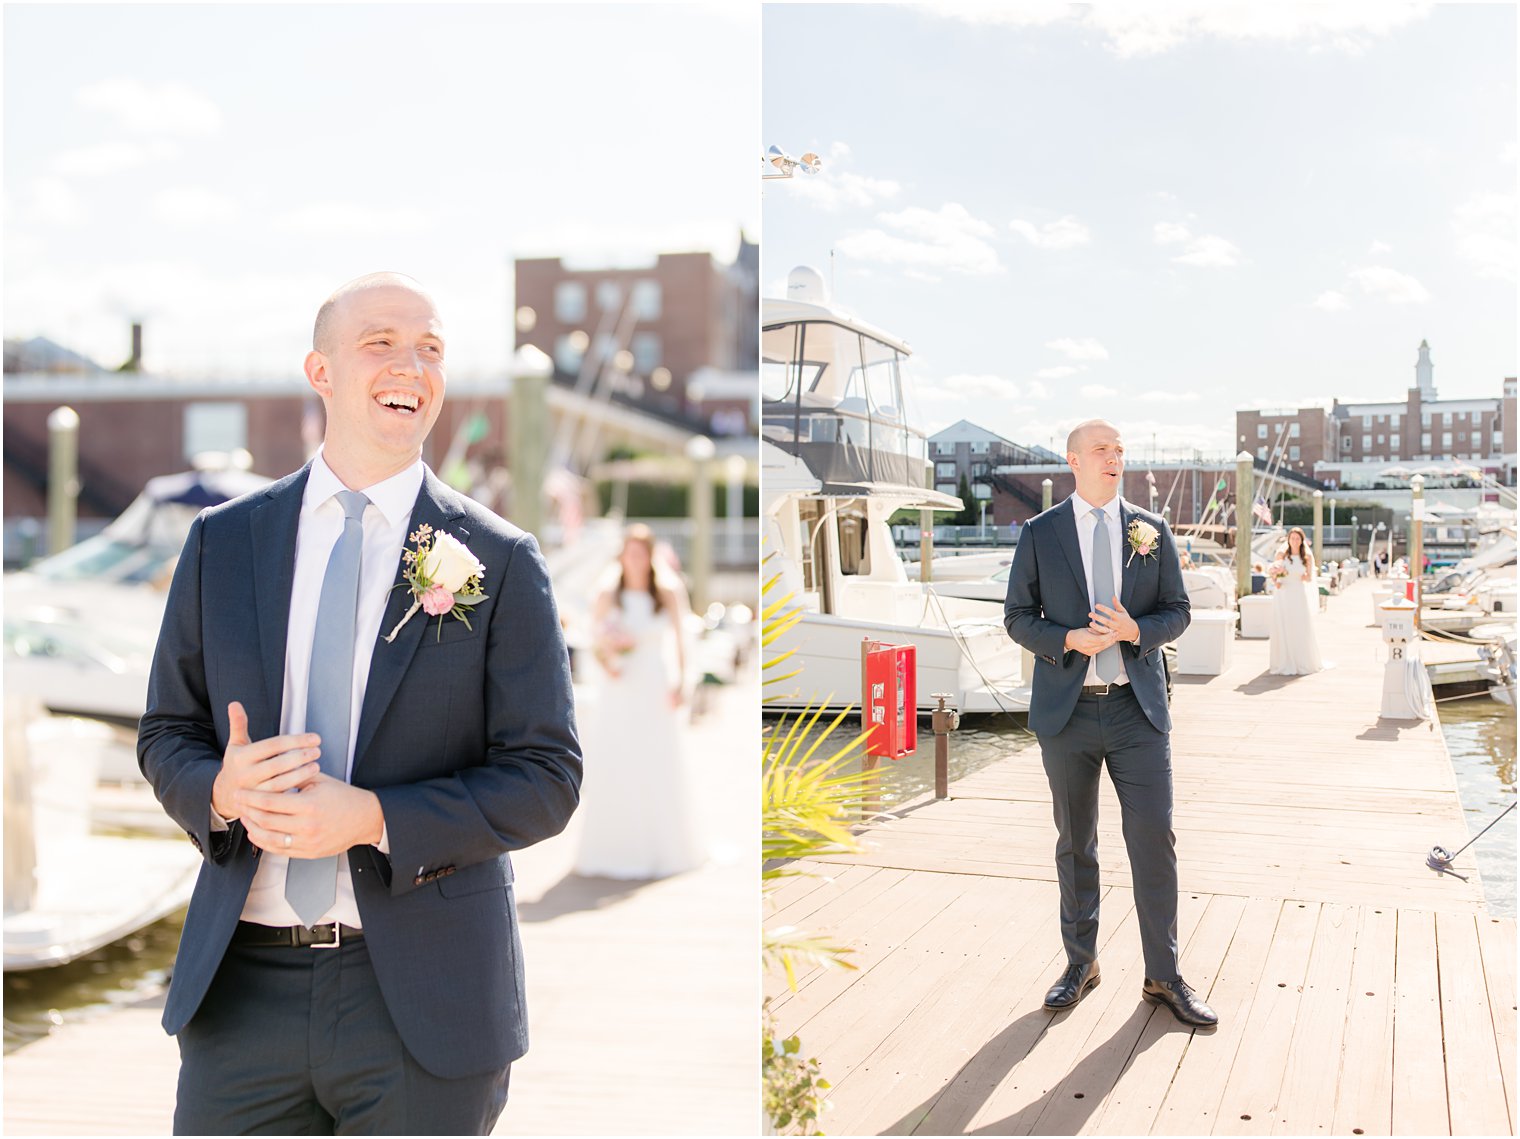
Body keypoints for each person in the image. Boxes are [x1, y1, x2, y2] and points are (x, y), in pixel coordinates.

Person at [138, 273, 582, 1134]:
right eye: (380, 341)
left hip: (425, 999)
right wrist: (222, 791)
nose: (410, 363)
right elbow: (166, 733)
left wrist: (376, 816)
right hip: (241, 996)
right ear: (322, 370)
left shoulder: (498, 558)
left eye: (431, 348)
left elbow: (547, 776)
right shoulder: (221, 543)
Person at [1003, 419, 1217, 1027]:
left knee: (1154, 842)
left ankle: (1163, 976)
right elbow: (1017, 616)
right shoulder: (1040, 533)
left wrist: (1136, 632)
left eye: (1120, 449)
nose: (1114, 457)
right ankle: (1081, 963)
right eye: (1102, 449)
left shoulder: (1150, 529)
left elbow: (1178, 611)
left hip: (1137, 711)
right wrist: (1067, 637)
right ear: (1073, 460)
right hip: (1066, 713)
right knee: (1076, 844)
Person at [574, 525, 704, 879]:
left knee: (656, 757)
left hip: (654, 681)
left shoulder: (667, 592)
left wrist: (682, 682)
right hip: (619, 686)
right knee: (618, 757)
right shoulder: (608, 593)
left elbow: (682, 640)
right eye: (629, 552)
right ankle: (616, 845)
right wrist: (608, 663)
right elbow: (593, 636)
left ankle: (660, 845)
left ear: (650, 556)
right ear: (622, 556)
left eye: (641, 553)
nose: (635, 559)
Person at [1267, 526, 1323, 676]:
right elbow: (1274, 574)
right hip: (1283, 592)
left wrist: (1298, 576)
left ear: (1302, 540)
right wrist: (1277, 577)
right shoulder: (1281, 554)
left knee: (1299, 624)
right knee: (1284, 624)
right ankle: (1284, 660)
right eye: (1292, 538)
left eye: (1298, 538)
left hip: (1298, 592)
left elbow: (1309, 578)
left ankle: (1301, 659)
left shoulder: (1307, 557)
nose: (1295, 541)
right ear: (1288, 539)